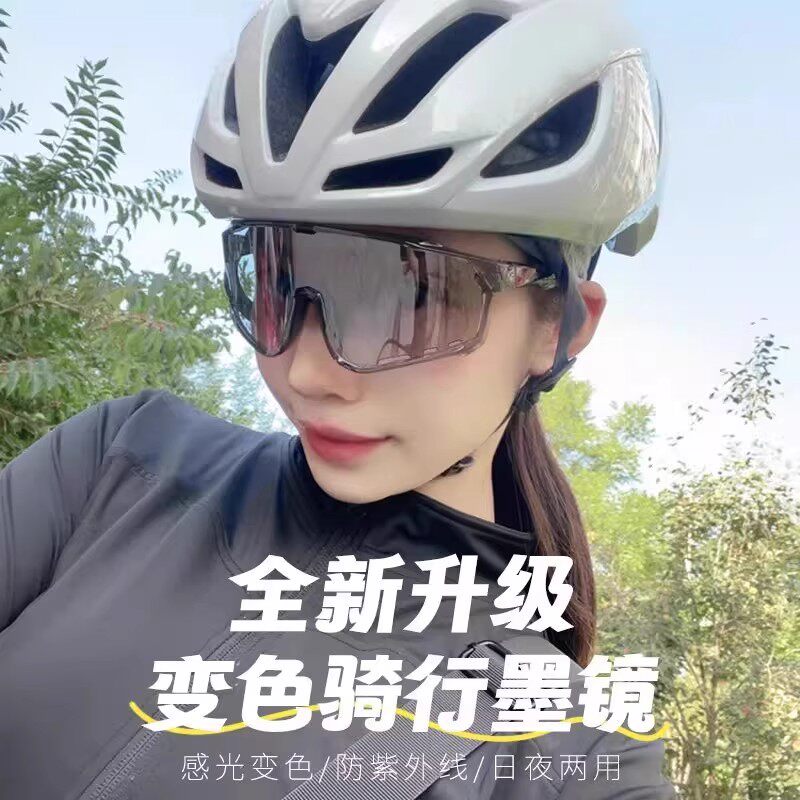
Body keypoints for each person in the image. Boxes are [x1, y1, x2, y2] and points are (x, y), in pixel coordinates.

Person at [0, 1, 673, 798]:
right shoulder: (122, 460)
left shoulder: (574, 759)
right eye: (276, 277)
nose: (307, 372)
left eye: (412, 296)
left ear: (559, 328)